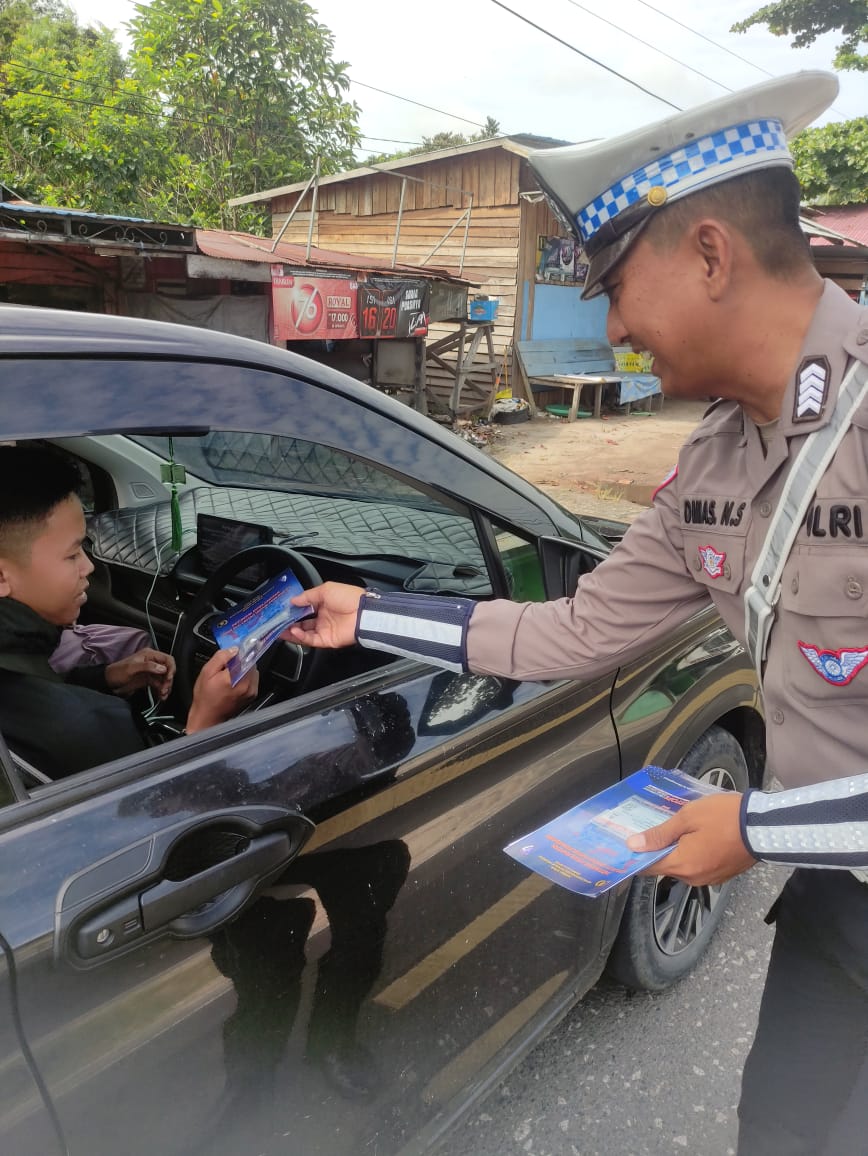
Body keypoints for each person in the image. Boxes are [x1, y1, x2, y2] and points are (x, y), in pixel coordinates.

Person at [285, 71, 868, 1154]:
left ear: (709, 255)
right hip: (837, 900)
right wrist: (370, 614)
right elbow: (578, 630)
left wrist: (756, 827)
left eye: (614, 285)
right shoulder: (715, 459)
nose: (612, 327)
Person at [0, 444, 258, 779]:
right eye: (73, 554)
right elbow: (162, 800)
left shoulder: (25, 677)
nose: (89, 566)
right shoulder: (83, 728)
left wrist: (104, 679)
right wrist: (205, 723)